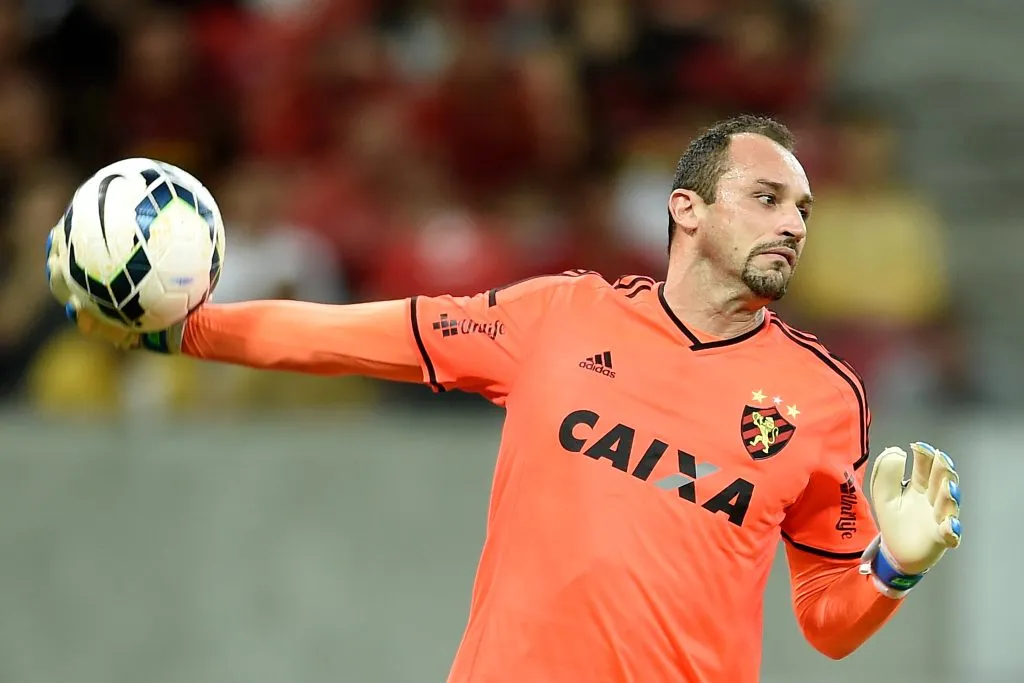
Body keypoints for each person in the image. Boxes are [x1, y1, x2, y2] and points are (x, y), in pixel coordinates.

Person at [45, 115, 962, 683]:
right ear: (687, 209)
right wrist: (183, 332)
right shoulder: (557, 317)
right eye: (767, 197)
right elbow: (346, 334)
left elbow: (828, 621)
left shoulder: (824, 397)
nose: (794, 222)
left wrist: (896, 567)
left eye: (803, 208)